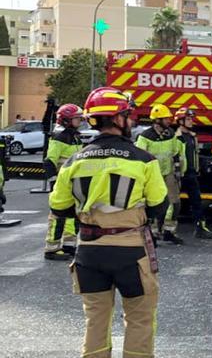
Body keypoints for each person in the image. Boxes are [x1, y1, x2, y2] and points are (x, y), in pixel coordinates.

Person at [49, 86, 168, 358]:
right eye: (128, 115)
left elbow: (58, 207)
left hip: (89, 251)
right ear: (117, 119)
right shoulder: (143, 160)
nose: (131, 121)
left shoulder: (74, 161)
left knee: (96, 322)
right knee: (139, 320)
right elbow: (160, 205)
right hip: (131, 251)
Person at [136, 104, 185, 245]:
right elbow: (140, 157)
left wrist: (177, 172)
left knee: (174, 203)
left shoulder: (170, 134)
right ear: (157, 120)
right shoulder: (145, 137)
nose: (169, 121)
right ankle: (151, 231)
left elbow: (176, 153)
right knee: (152, 203)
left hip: (168, 173)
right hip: (152, 175)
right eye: (166, 119)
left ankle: (169, 231)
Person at [43, 103, 85, 260]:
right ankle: (51, 248)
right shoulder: (59, 138)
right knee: (58, 216)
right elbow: (49, 161)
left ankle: (68, 244)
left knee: (73, 215)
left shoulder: (75, 137)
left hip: (73, 182)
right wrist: (53, 181)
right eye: (76, 118)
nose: (79, 121)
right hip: (61, 182)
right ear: (67, 120)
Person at [174, 107, 212, 239]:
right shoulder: (175, 137)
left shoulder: (192, 137)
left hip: (191, 174)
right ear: (180, 121)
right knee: (172, 204)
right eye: (188, 119)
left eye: (191, 119)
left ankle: (200, 228)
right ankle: (165, 230)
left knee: (197, 202)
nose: (191, 121)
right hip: (178, 175)